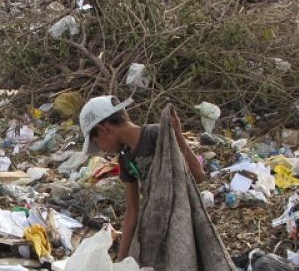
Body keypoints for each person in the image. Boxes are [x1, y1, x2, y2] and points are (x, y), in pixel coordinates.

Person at [79, 96, 206, 261]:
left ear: (104, 129)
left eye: (97, 142)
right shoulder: (125, 159)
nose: (102, 149)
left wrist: (178, 137)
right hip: (159, 226)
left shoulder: (157, 135)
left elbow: (199, 176)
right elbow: (133, 212)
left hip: (185, 222)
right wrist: (120, 261)